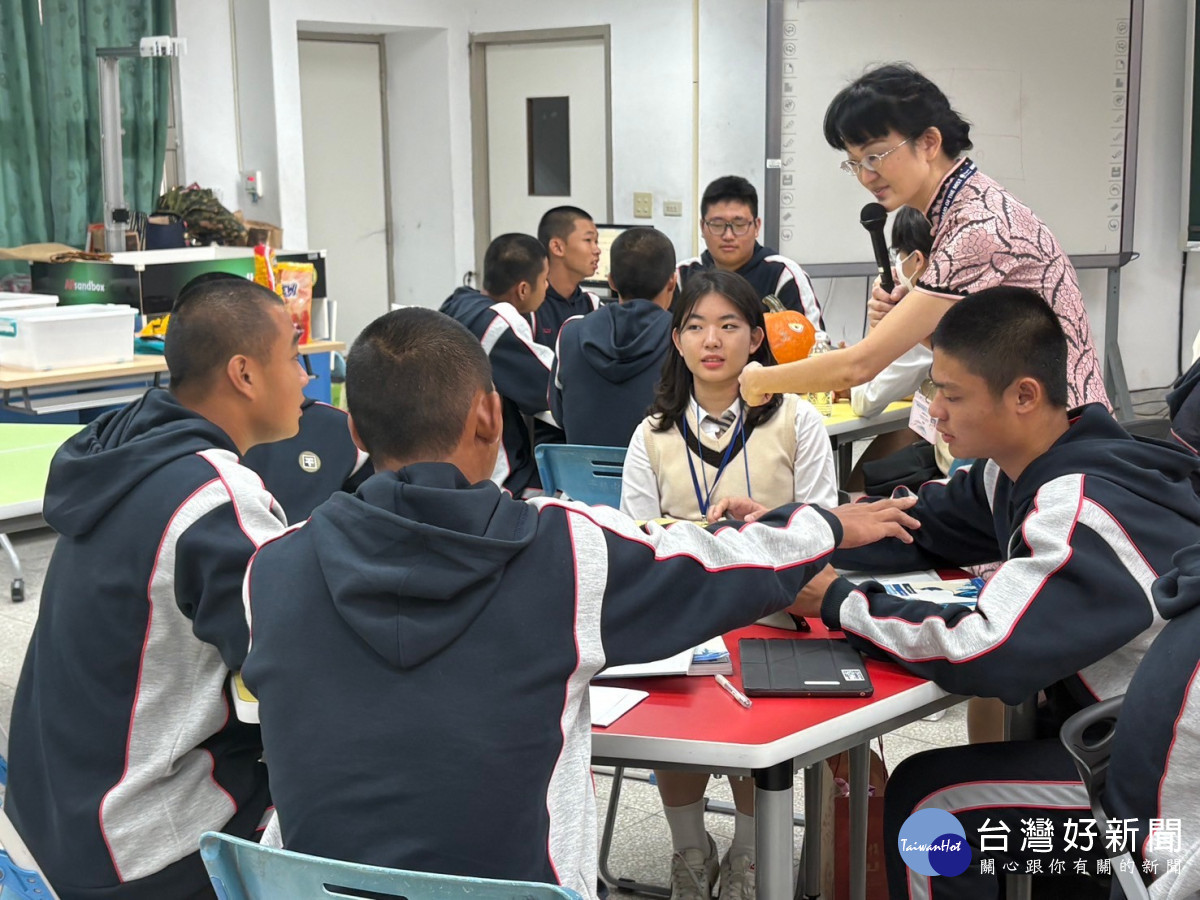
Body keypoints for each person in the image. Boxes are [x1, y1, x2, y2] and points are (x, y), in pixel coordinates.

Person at [237, 306, 920, 900]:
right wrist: (829, 523)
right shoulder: (563, 553)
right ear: (489, 412)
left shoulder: (270, 568)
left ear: (355, 432)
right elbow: (715, 564)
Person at [776, 287, 1200, 900]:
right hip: (1114, 746)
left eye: (951, 394)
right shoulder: (1022, 468)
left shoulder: (1081, 505)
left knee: (933, 816)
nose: (935, 412)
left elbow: (987, 650)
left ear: (1023, 396)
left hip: (1161, 817)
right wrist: (786, 530)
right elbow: (911, 524)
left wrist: (841, 601)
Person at [4, 277, 308, 899]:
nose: (306, 377)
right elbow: (300, 661)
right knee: (350, 787)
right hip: (138, 850)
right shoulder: (216, 501)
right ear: (245, 374)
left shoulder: (125, 451)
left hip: (53, 817)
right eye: (295, 357)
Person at [619, 269, 837, 900]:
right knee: (663, 698)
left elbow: (822, 534)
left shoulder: (796, 421)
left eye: (729, 325)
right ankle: (690, 851)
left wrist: (749, 537)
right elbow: (640, 541)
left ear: (756, 339)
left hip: (776, 613)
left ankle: (748, 856)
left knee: (758, 718)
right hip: (684, 615)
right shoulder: (653, 434)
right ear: (678, 341)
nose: (711, 340)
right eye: (695, 325)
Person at [739, 63, 1108, 413]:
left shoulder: (978, 226)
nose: (866, 177)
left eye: (874, 156)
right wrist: (912, 322)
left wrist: (759, 379)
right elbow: (979, 352)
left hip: (1062, 434)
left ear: (929, 142)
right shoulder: (967, 205)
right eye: (854, 163)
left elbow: (859, 366)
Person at [1104, 542, 1200, 899]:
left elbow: (990, 652)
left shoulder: (1078, 502)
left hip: (1149, 838)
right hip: (1145, 810)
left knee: (935, 803)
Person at [439, 232, 553, 495]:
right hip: (496, 477)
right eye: (545, 280)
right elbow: (550, 390)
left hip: (451, 461)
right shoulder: (497, 321)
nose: (547, 287)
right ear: (523, 289)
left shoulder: (457, 302)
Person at [550, 225, 676, 447]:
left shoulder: (570, 333)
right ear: (672, 282)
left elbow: (560, 415)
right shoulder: (683, 338)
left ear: (611, 282)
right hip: (654, 478)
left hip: (581, 480)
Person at [677, 175, 823, 328]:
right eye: (717, 224)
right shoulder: (682, 275)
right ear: (702, 227)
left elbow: (813, 344)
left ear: (756, 227)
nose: (728, 236)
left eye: (739, 224)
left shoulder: (783, 275)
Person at [242, 397, 373, 521]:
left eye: (305, 371)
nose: (304, 378)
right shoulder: (225, 439)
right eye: (294, 370)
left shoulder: (340, 428)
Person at [531, 205, 603, 349]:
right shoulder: (530, 307)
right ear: (557, 247)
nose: (597, 250)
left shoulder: (592, 305)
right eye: (588, 240)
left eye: (596, 242)